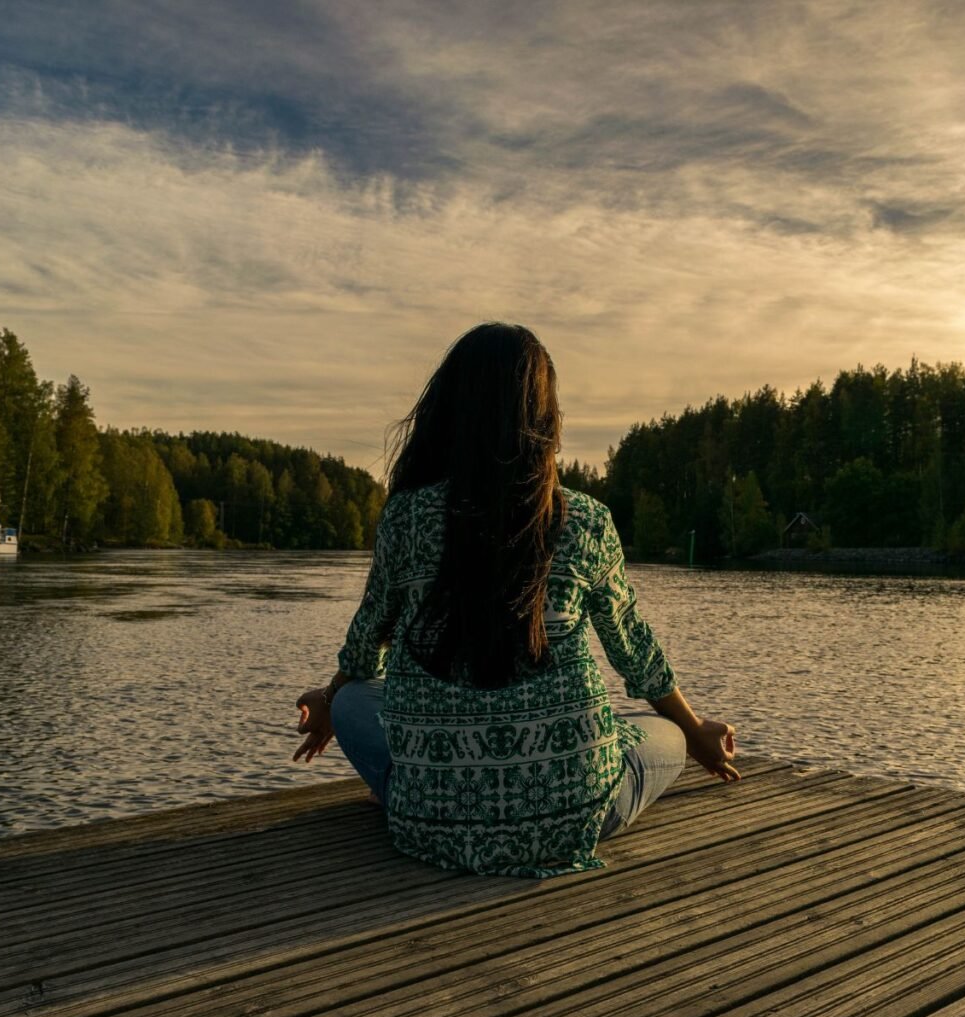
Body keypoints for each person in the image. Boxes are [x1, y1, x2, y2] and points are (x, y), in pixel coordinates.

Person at [293, 323, 738, 878]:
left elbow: (366, 645)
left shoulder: (406, 517)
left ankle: (421, 789)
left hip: (430, 823)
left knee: (357, 699)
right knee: (665, 733)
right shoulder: (586, 521)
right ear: (545, 419)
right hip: (575, 815)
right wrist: (697, 732)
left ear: (450, 411)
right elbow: (635, 653)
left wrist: (334, 698)